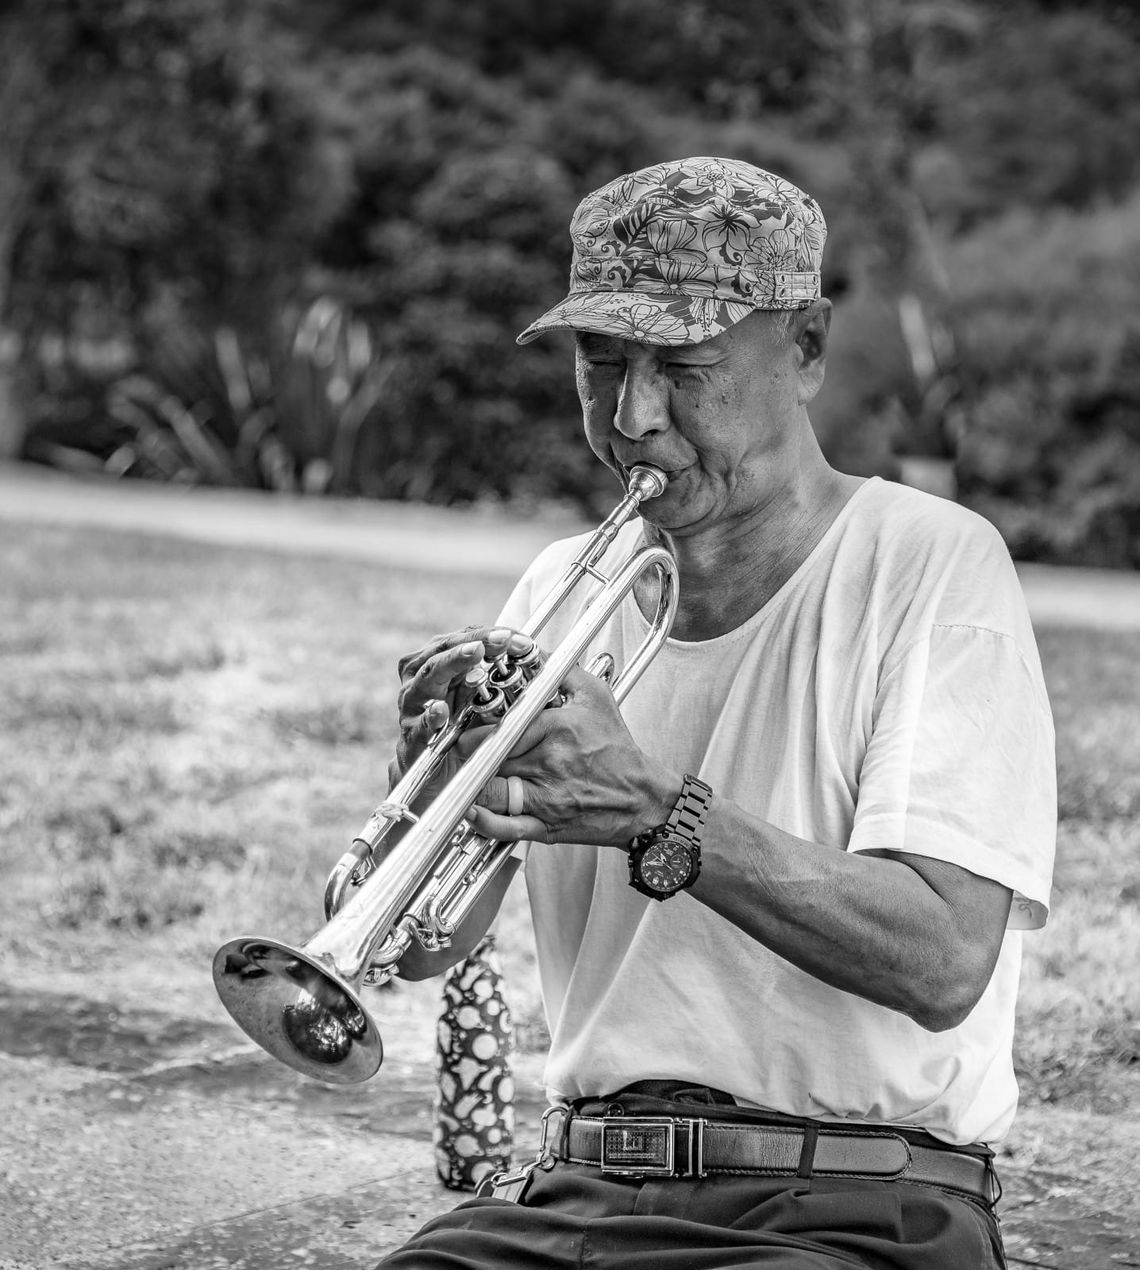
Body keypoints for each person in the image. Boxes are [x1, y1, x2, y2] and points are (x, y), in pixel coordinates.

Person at [378, 156, 1056, 1269]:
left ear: (807, 349)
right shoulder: (558, 589)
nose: (634, 417)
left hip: (853, 1200)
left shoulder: (929, 564)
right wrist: (428, 799)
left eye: (686, 369)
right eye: (602, 364)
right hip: (579, 1188)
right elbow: (423, 949)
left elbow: (941, 959)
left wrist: (658, 812)